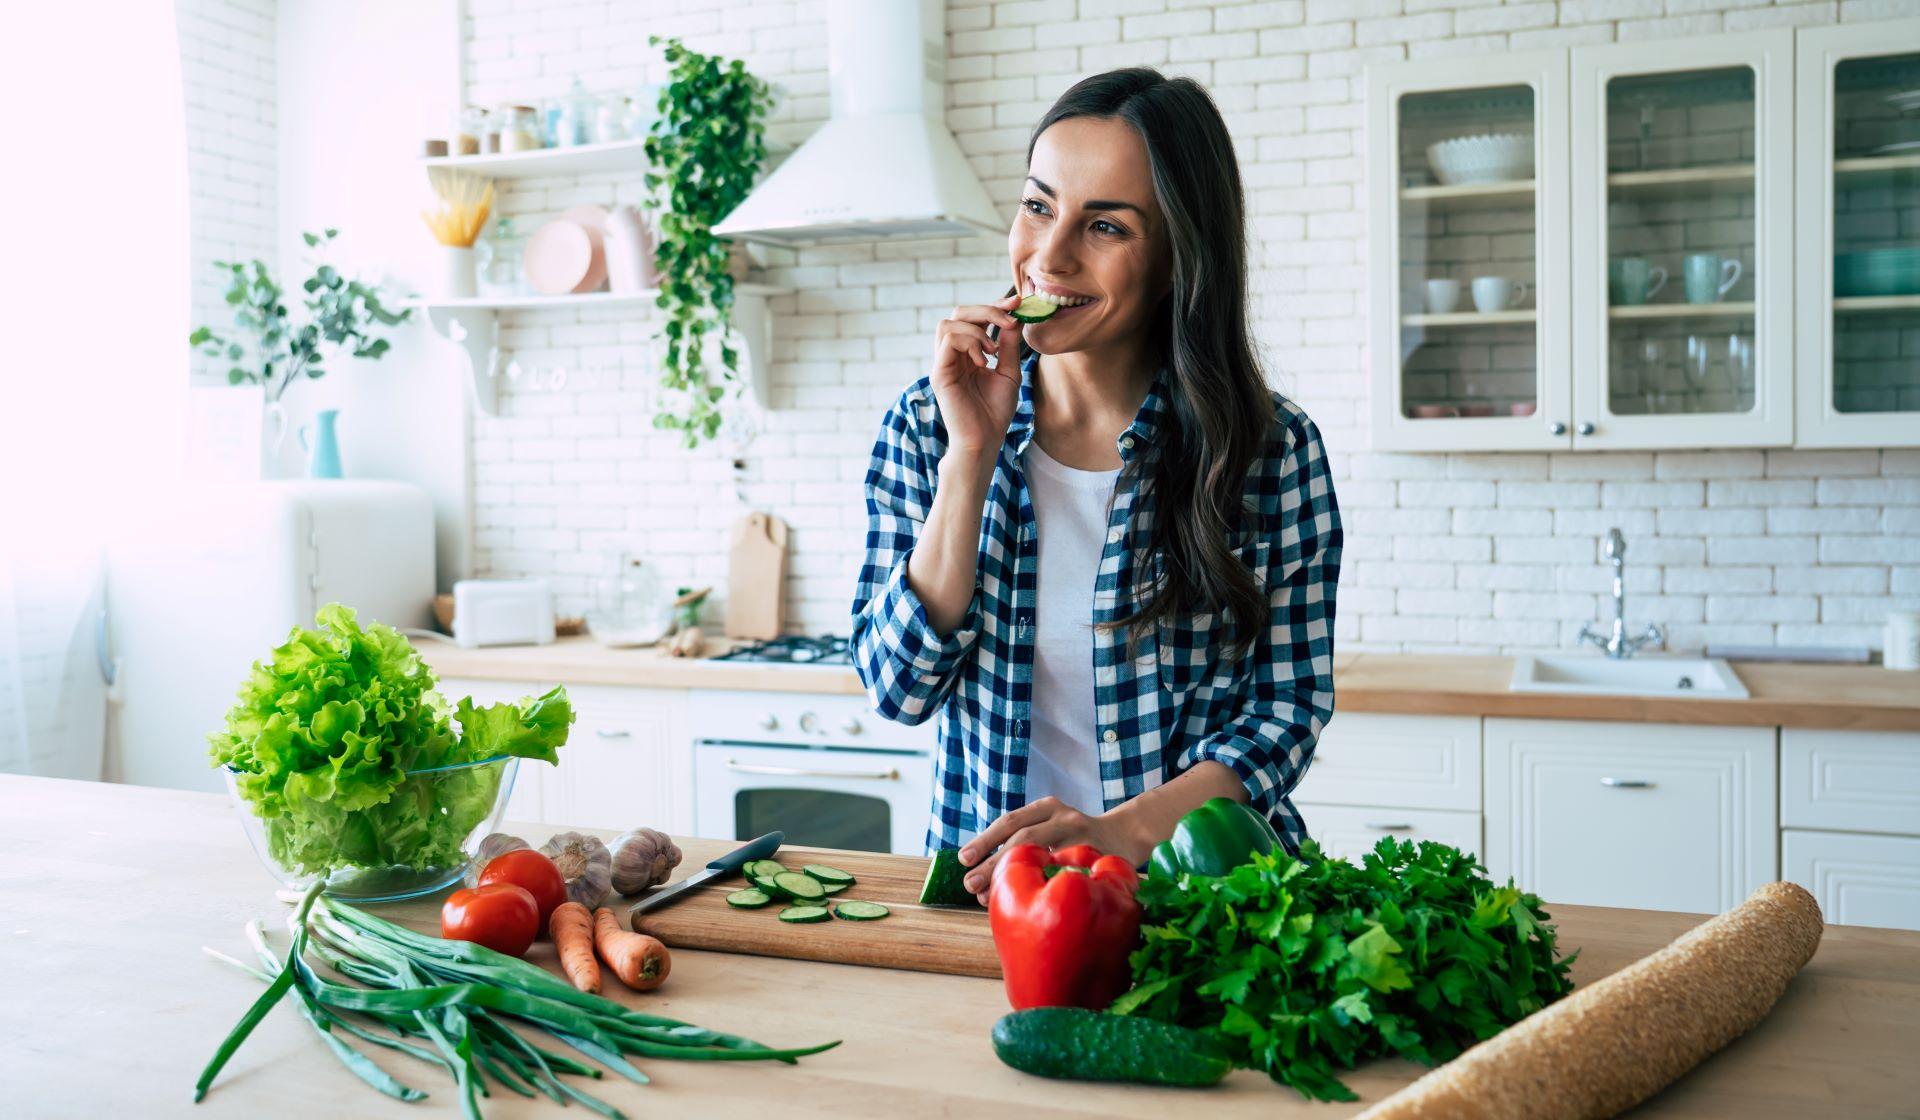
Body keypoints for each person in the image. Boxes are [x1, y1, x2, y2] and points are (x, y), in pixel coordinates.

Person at [851, 67, 1342, 903]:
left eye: (1105, 226)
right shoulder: (931, 421)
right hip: (993, 900)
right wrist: (971, 456)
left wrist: (1121, 836)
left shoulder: (1268, 450)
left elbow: (1283, 714)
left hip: (1203, 903)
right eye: (1039, 205)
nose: (1049, 255)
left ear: (1177, 258)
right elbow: (897, 688)